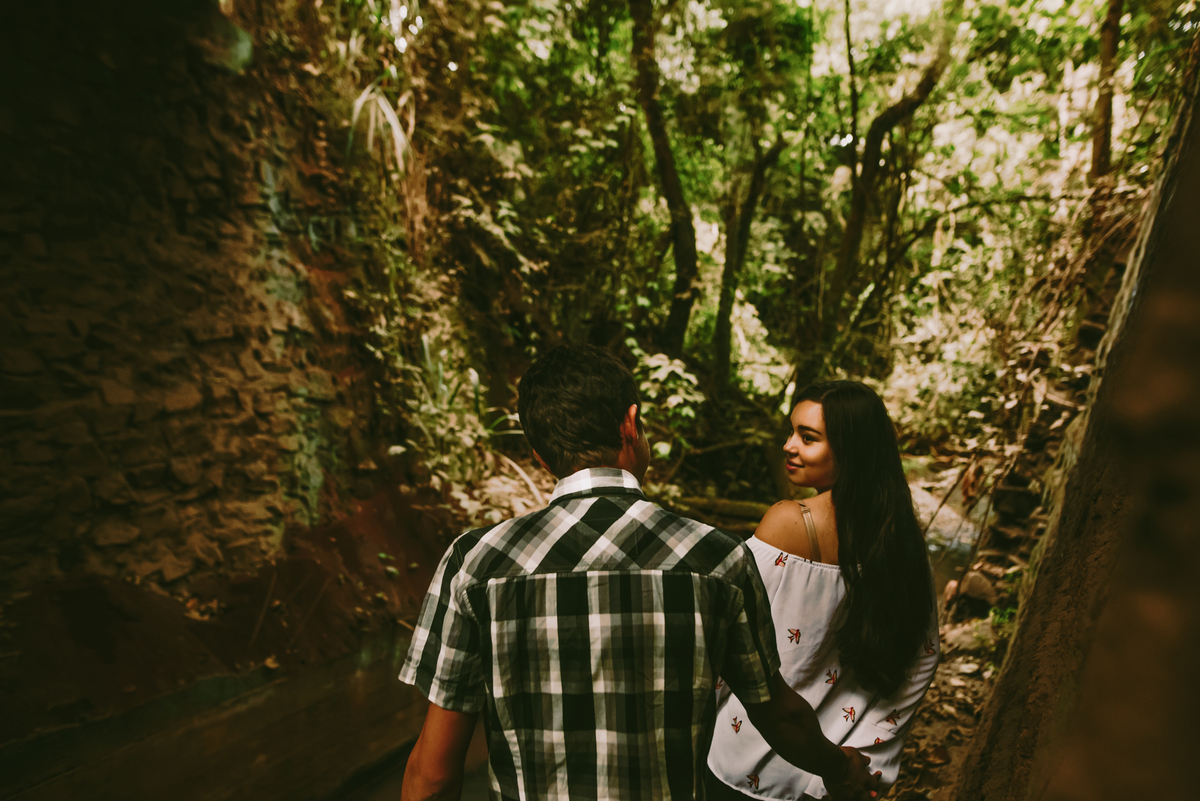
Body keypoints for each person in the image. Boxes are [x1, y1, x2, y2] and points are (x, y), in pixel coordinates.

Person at [398, 345, 879, 801]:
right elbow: (780, 717)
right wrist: (840, 770)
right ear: (631, 425)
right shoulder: (718, 560)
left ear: (540, 458)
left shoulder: (476, 564)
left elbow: (434, 777)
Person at [705, 380, 940, 800]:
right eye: (791, 431)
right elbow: (923, 658)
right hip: (838, 777)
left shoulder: (786, 523)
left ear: (851, 449)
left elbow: (724, 638)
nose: (788, 446)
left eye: (807, 437)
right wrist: (868, 759)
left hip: (746, 764)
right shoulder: (903, 539)